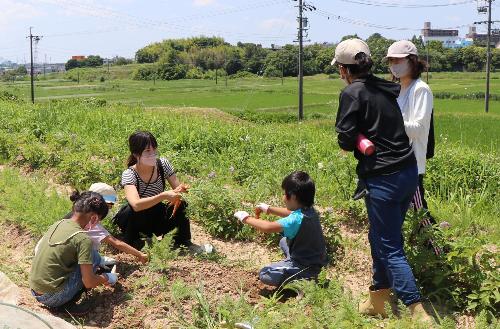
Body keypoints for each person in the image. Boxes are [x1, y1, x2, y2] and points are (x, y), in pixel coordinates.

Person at [332, 38, 432, 322]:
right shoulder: (385, 87)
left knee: (389, 244)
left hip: (383, 177)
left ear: (343, 69)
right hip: (407, 171)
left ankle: (416, 310)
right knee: (379, 236)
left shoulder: (352, 92)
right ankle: (379, 298)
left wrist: (355, 140)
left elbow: (345, 140)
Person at [386, 40, 440, 255]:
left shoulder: (421, 90)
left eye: (398, 59)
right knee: (410, 212)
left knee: (419, 213)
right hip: (396, 161)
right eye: (390, 60)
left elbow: (418, 128)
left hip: (411, 163)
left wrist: (387, 122)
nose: (393, 64)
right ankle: (426, 253)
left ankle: (440, 255)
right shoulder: (397, 89)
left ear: (412, 61)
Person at [117, 131, 211, 253]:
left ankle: (182, 242)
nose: (152, 154)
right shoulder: (130, 174)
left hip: (157, 215)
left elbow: (177, 188)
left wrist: (182, 190)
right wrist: (163, 195)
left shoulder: (163, 165)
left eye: (154, 150)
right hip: (138, 218)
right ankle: (133, 242)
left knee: (181, 204)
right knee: (131, 210)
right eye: (147, 151)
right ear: (136, 154)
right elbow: (136, 204)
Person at [29, 191, 119, 316]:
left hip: (34, 289)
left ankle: (97, 265)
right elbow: (89, 282)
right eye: (98, 221)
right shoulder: (82, 239)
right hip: (53, 297)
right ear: (94, 218)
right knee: (92, 259)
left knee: (93, 256)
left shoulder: (59, 223)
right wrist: (107, 277)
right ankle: (66, 304)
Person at [234, 171, 328, 287]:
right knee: (284, 241)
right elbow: (291, 212)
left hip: (305, 264)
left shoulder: (295, 220)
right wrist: (268, 209)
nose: (283, 197)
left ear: (292, 196)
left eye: (284, 194)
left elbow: (268, 227)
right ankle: (304, 270)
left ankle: (305, 280)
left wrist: (246, 218)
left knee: (265, 273)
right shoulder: (309, 210)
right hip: (316, 258)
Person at [34, 183, 149, 265]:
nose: (108, 210)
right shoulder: (90, 224)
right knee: (92, 261)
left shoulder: (76, 214)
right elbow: (116, 243)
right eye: (108, 206)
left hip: (43, 253)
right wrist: (140, 255)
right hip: (54, 263)